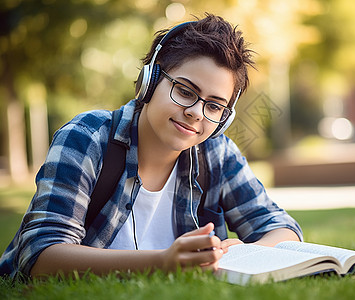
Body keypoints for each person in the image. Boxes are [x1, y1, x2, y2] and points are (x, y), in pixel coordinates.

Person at [0, 13, 302, 279]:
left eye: (214, 106)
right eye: (185, 91)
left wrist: (250, 250)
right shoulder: (87, 136)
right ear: (150, 80)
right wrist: (161, 262)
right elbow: (41, 256)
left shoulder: (217, 153)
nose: (197, 112)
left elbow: (283, 229)